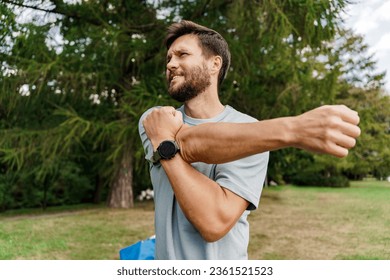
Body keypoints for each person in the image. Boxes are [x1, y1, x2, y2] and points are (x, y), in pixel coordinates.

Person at [139, 20, 360, 260]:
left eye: (182, 54)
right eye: (168, 58)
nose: (171, 64)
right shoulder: (153, 120)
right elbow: (191, 143)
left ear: (214, 64)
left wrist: (166, 145)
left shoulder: (251, 130)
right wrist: (292, 129)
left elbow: (214, 222)